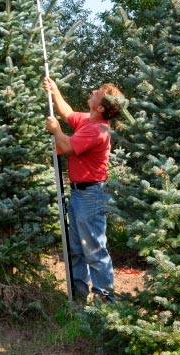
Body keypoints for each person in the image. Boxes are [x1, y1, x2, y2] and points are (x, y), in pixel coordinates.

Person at [43, 76, 123, 304]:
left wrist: (56, 130)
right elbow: (67, 112)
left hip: (91, 195)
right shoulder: (88, 120)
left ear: (100, 107)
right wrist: (55, 90)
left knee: (94, 249)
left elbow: (67, 147)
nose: (93, 90)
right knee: (77, 247)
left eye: (97, 92)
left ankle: (105, 299)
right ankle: (79, 296)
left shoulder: (98, 130)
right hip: (79, 193)